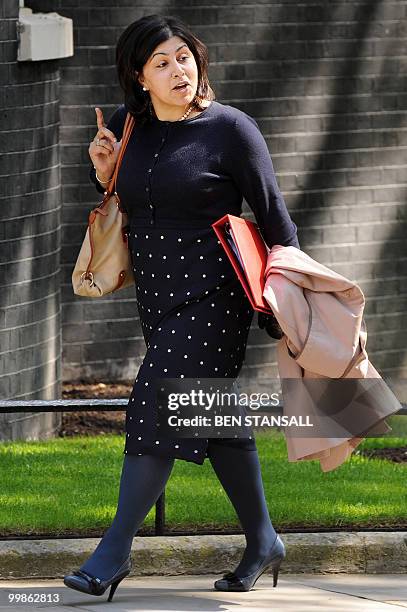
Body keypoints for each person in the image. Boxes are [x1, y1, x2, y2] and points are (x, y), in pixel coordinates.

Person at [64, 13, 299, 602]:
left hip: (215, 295)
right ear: (139, 76)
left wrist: (289, 292)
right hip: (159, 295)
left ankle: (112, 553)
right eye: (162, 63)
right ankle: (264, 539)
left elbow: (275, 219)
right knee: (211, 416)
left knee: (160, 401)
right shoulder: (127, 126)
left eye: (184, 58)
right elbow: (133, 199)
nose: (178, 71)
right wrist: (103, 174)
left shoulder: (231, 130)